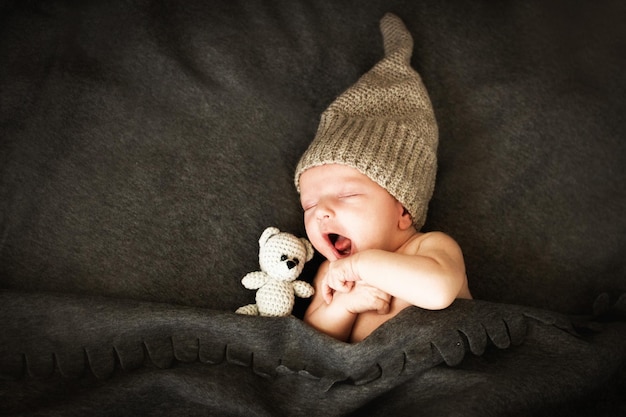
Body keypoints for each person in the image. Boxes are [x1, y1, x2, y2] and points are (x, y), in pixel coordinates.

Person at [293, 13, 472, 343]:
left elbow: (439, 292)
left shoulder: (429, 247)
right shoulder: (328, 273)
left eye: (346, 195)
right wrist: (343, 307)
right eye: (309, 204)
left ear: (403, 210)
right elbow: (312, 343)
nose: (321, 212)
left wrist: (362, 268)